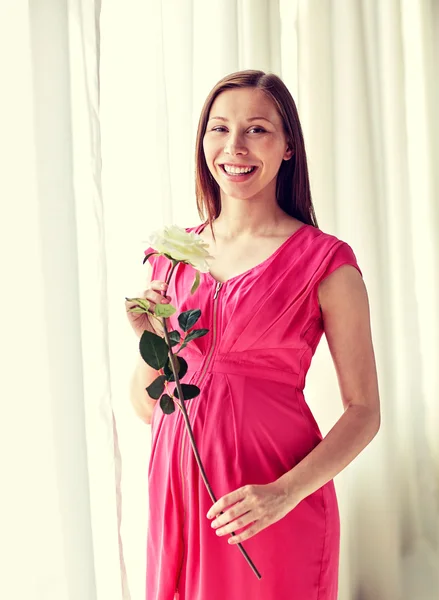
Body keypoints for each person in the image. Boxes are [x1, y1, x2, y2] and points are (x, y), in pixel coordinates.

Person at [125, 69, 381, 600]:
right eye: (219, 128)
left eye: (257, 129)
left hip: (269, 504)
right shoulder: (171, 255)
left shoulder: (327, 263)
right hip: (180, 495)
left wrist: (282, 495)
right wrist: (151, 342)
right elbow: (150, 406)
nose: (234, 146)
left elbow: (364, 412)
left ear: (289, 146)